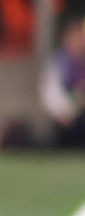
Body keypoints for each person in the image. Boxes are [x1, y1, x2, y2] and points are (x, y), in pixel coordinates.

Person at [39, 19, 85, 147]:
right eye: (75, 39)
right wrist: (65, 110)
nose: (79, 43)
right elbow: (51, 94)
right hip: (67, 119)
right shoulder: (58, 62)